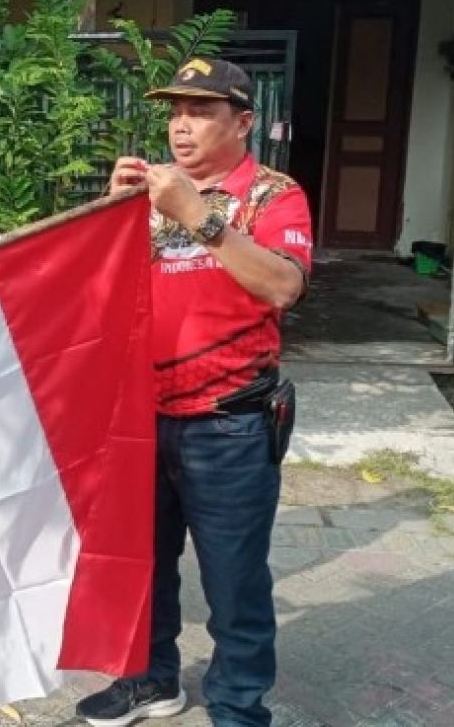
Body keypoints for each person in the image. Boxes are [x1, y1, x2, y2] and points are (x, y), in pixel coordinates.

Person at [75, 58, 313, 727]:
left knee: (234, 582)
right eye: (176, 112)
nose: (182, 126)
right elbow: (100, 294)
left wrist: (197, 215)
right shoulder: (150, 194)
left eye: (202, 111)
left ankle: (238, 705)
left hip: (228, 422)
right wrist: (108, 211)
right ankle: (152, 680)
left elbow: (281, 285)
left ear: (243, 122)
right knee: (141, 568)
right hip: (142, 420)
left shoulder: (272, 194)